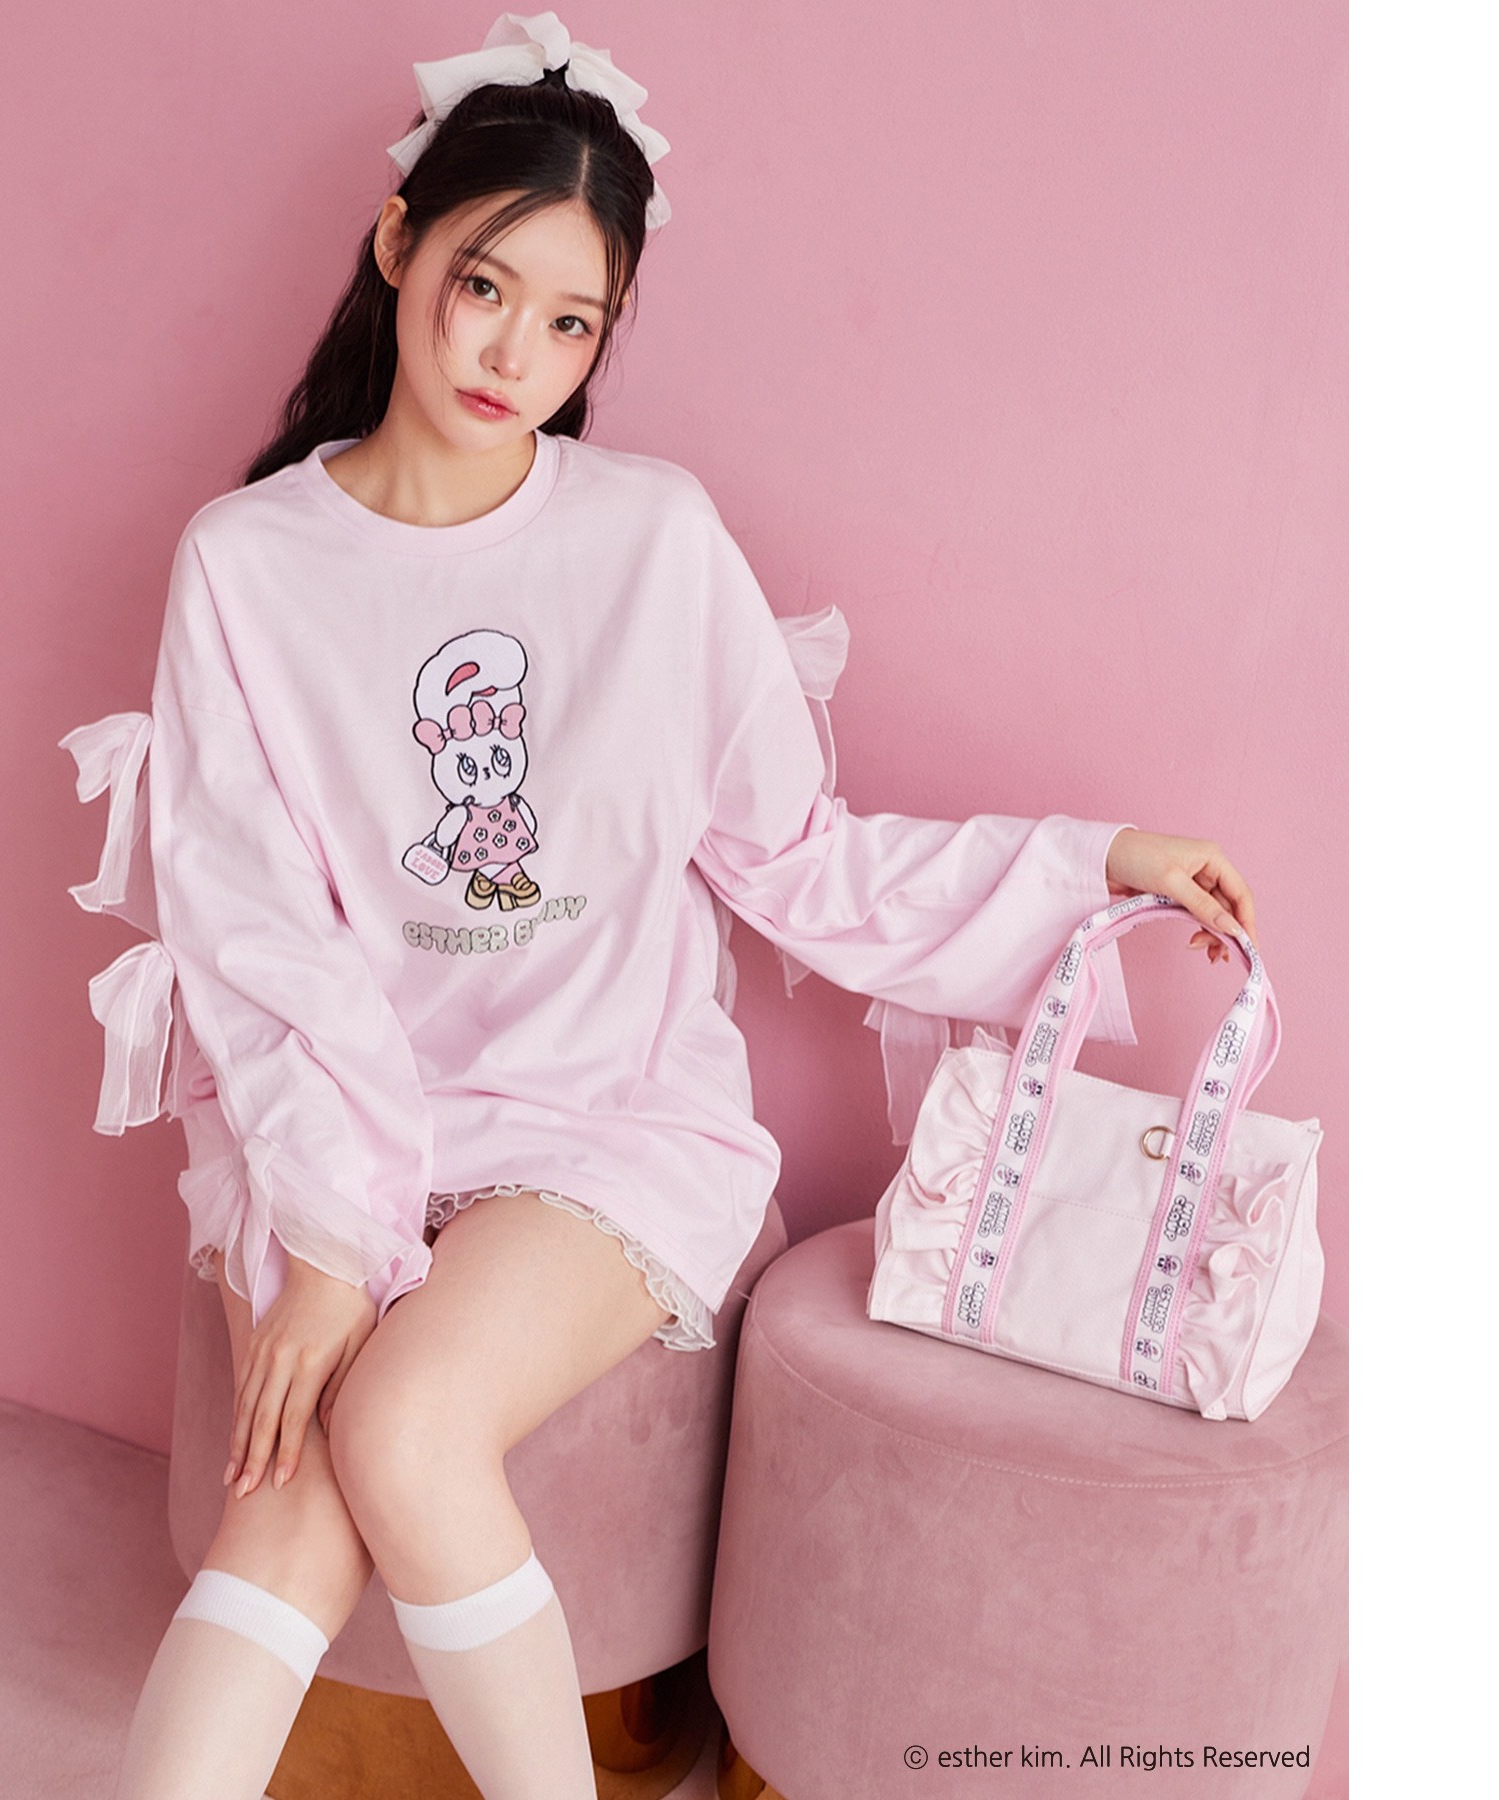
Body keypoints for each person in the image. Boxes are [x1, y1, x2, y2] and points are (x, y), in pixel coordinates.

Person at [85, 13, 1259, 1797]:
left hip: (603, 1121)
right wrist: (326, 1237)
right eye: (487, 286)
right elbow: (253, 935)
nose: (516, 355)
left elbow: (800, 858)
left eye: (573, 322)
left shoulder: (650, 539)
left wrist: (1091, 862)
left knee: (402, 1422)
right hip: (342, 1112)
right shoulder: (246, 564)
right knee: (285, 1504)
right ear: (400, 244)